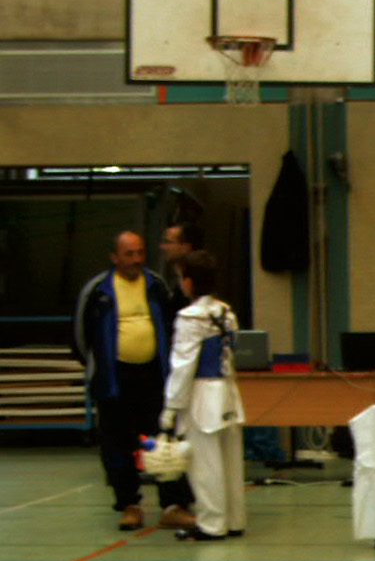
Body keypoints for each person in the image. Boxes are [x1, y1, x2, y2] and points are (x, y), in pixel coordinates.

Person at [72, 229, 197, 532]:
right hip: (114, 379)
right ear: (114, 257)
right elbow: (79, 336)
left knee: (164, 441)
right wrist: (97, 367)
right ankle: (129, 505)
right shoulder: (97, 290)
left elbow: (174, 323)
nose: (136, 259)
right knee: (117, 444)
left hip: (154, 377)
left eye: (140, 252)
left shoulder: (156, 285)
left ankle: (173, 505)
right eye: (129, 254)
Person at [160, 250, 247, 542]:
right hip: (227, 392)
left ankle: (211, 524)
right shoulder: (226, 312)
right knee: (231, 462)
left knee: (205, 464)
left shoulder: (190, 317)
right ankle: (234, 520)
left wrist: (171, 407)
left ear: (189, 281)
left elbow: (182, 366)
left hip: (201, 395)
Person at [158, 220, 203, 313]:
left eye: (168, 242)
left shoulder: (195, 284)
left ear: (185, 247)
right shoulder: (168, 278)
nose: (162, 247)